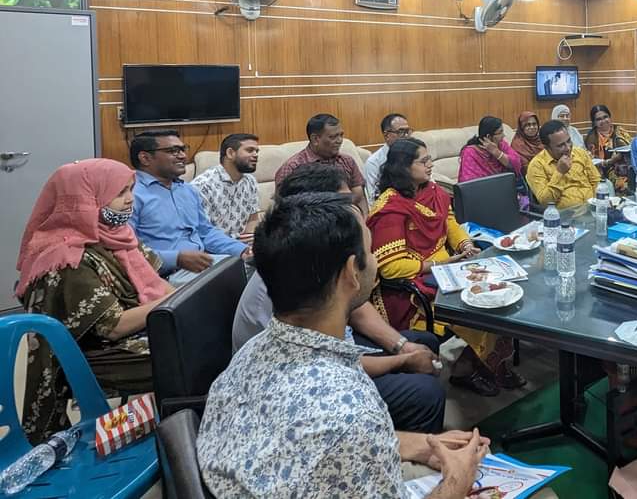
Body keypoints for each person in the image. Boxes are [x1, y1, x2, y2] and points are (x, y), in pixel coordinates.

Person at [197, 191, 499, 499]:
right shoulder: (350, 413)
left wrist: (420, 445)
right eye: (371, 249)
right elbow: (343, 433)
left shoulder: (251, 353)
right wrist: (457, 480)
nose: (376, 260)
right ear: (352, 272)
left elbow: (318, 442)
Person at [233, 163, 445, 434]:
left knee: (422, 341)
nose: (375, 261)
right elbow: (332, 363)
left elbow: (353, 315)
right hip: (307, 385)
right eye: (369, 252)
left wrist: (401, 347)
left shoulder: (306, 267)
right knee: (425, 391)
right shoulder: (346, 409)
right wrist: (401, 361)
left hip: (309, 367)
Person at [15, 159, 174, 443]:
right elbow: (113, 327)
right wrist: (173, 302)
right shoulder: (68, 259)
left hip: (135, 331)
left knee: (205, 336)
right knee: (193, 355)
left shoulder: (118, 236)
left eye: (131, 189)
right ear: (87, 200)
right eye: (120, 193)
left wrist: (184, 300)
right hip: (100, 353)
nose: (130, 200)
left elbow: (157, 284)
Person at [369, 138, 524, 397]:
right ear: (403, 167)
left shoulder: (434, 192)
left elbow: (450, 224)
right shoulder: (390, 208)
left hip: (448, 271)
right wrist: (441, 264)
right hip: (413, 285)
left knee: (499, 292)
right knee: (480, 304)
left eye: (430, 158)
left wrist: (465, 245)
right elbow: (391, 268)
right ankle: (468, 369)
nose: (431, 164)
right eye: (424, 161)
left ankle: (479, 363)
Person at [130, 130, 247, 284]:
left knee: (262, 265)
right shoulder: (130, 195)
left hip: (201, 265)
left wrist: (242, 250)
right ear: (145, 158)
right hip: (163, 276)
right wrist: (176, 258)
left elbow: (206, 232)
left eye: (183, 149)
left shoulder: (187, 190)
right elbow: (128, 251)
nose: (183, 156)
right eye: (173, 151)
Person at [276, 113, 368, 213]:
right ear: (315, 139)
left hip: (347, 217)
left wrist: (365, 220)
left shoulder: (347, 161)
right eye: (333, 137)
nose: (340, 140)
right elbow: (284, 207)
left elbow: (359, 197)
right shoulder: (292, 167)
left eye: (341, 135)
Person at [190, 133, 261, 239]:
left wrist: (249, 243)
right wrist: (234, 246)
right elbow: (202, 231)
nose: (255, 155)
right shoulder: (203, 186)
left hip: (243, 244)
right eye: (250, 150)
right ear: (230, 153)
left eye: (256, 151)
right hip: (214, 246)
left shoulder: (250, 181)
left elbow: (253, 219)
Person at [526, 119, 601, 208]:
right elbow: (545, 202)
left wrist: (596, 205)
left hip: (592, 208)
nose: (568, 148)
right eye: (561, 145)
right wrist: (559, 173)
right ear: (547, 147)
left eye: (569, 141)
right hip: (565, 214)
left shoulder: (580, 153)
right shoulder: (537, 165)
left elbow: (596, 181)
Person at [365, 112, 412, 205]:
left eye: (408, 131)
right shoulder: (374, 162)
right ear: (387, 135)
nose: (406, 136)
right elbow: (373, 199)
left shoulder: (415, 154)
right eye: (401, 132)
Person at [584, 104, 632, 194]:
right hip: (603, 171)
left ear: (610, 117)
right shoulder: (591, 138)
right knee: (621, 183)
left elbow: (630, 147)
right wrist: (610, 161)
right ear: (594, 122)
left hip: (625, 166)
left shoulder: (620, 131)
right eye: (599, 119)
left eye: (605, 117)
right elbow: (591, 162)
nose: (603, 121)